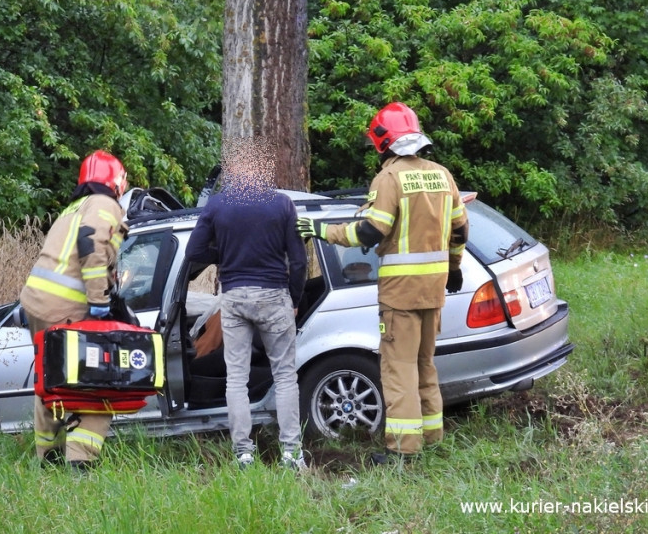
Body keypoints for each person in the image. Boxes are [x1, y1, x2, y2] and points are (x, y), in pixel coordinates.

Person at [297, 102, 469, 465]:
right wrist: (454, 266)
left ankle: (403, 451)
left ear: (383, 142)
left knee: (398, 368)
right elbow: (461, 228)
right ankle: (432, 436)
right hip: (434, 290)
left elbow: (371, 230)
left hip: (401, 294)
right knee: (425, 364)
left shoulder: (390, 179)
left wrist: (320, 230)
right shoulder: (442, 175)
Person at [185, 138, 308, 471]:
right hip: (274, 296)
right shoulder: (282, 205)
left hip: (235, 297)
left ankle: (243, 453)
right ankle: (292, 454)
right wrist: (294, 300)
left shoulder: (218, 205)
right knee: (285, 377)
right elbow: (298, 261)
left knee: (235, 379)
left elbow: (193, 254)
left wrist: (223, 254)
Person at [20, 149, 129, 472]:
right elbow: (90, 246)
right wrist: (99, 302)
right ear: (115, 181)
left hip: (37, 305)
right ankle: (81, 464)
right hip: (68, 309)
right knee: (95, 385)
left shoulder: (73, 208)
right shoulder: (105, 205)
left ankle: (48, 457)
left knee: (51, 382)